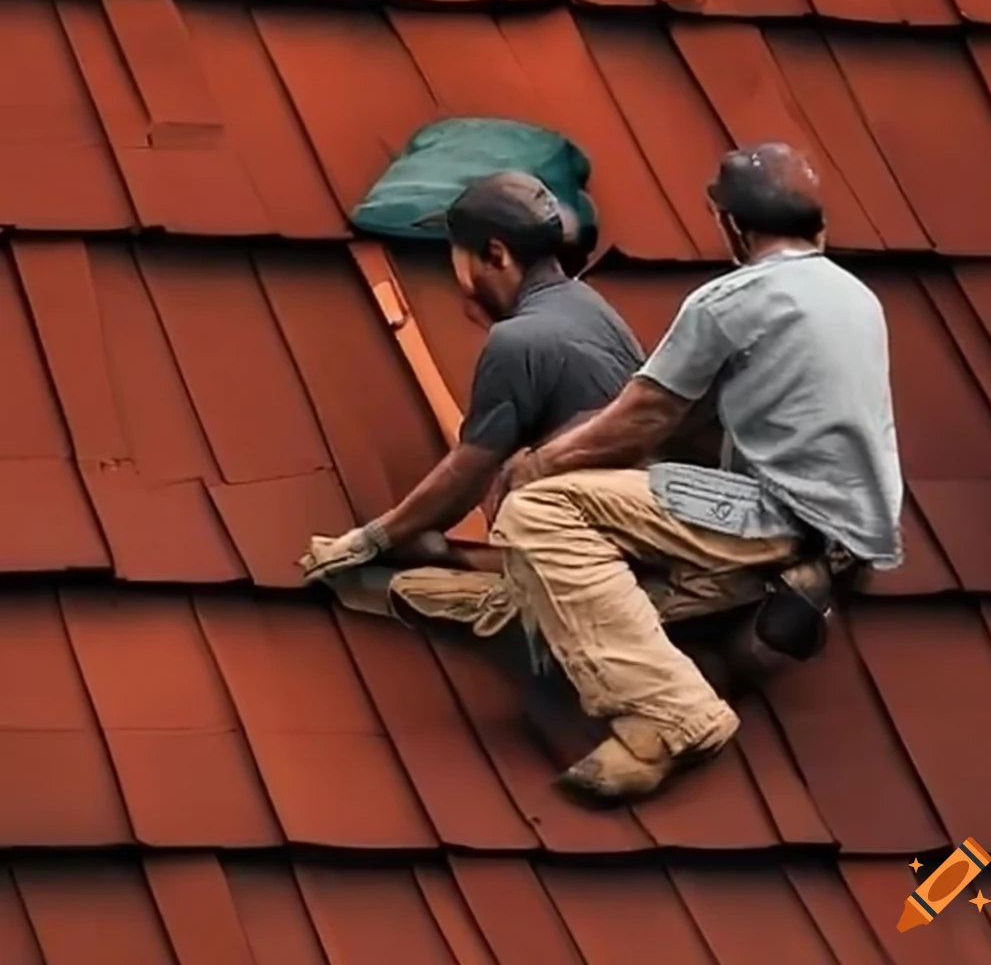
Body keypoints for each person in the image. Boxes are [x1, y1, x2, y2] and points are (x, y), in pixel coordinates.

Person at [490, 143, 904, 801]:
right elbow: (692, 416)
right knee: (632, 564)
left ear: (732, 226)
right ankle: (759, 608)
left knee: (540, 511)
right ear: (819, 227)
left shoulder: (731, 300)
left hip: (776, 513)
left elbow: (648, 416)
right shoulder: (857, 298)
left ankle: (673, 713)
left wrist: (534, 465)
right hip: (853, 532)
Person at [299, 171, 646, 582]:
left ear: (496, 255)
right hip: (639, 524)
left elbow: (468, 473)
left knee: (516, 485)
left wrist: (371, 539)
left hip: (598, 550)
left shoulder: (516, 339)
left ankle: (461, 561)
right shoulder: (589, 305)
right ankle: (457, 558)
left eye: (457, 252)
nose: (455, 271)